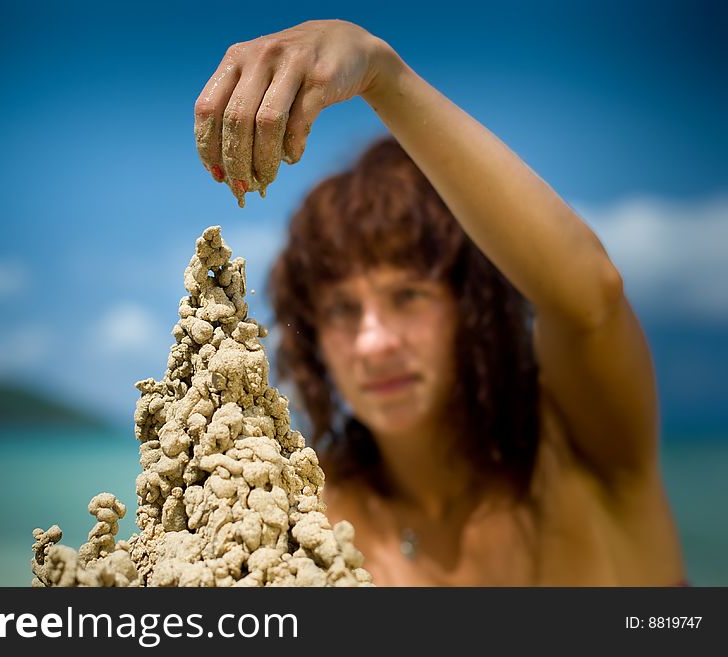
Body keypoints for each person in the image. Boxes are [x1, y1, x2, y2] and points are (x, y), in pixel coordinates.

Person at [193, 19, 685, 586]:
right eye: (341, 310)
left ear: (470, 309)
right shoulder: (303, 522)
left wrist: (383, 74)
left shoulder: (584, 451)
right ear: (314, 337)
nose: (374, 342)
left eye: (408, 296)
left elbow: (590, 298)